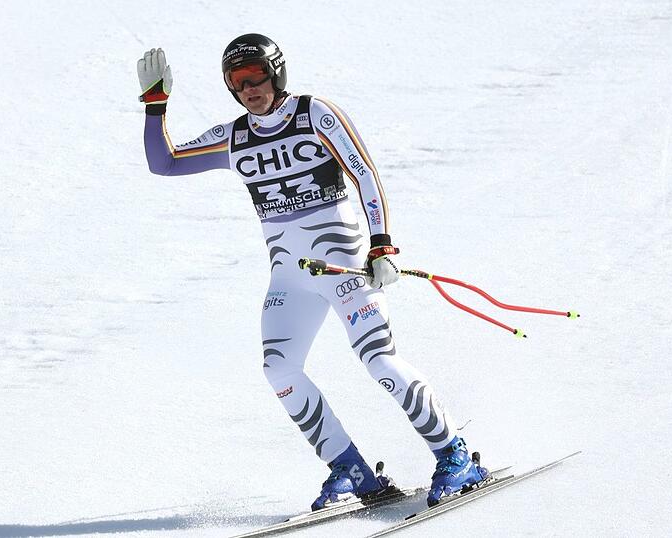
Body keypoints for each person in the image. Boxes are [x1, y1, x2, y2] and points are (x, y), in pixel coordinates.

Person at [137, 34, 489, 509]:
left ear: (276, 72)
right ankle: (351, 469)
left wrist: (382, 244)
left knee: (379, 360)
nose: (250, 88)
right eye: (237, 81)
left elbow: (364, 173)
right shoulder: (235, 137)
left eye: (257, 75)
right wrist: (155, 105)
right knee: (279, 369)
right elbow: (165, 162)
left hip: (344, 263)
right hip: (290, 277)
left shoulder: (313, 113)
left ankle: (454, 455)